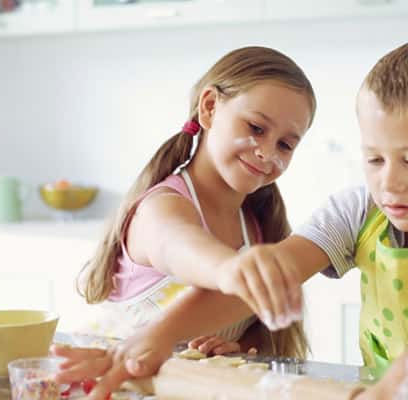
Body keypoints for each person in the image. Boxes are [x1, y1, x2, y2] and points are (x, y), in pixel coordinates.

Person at [55, 39, 408, 399]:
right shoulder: (357, 211)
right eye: (373, 159)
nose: (389, 183)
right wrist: (155, 340)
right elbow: (262, 278)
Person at [70, 45, 316, 364]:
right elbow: (179, 246)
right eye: (256, 128)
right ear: (210, 107)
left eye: (285, 144)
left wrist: (240, 346)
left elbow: (259, 333)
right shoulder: (163, 208)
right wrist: (229, 270)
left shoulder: (256, 224)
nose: (268, 153)